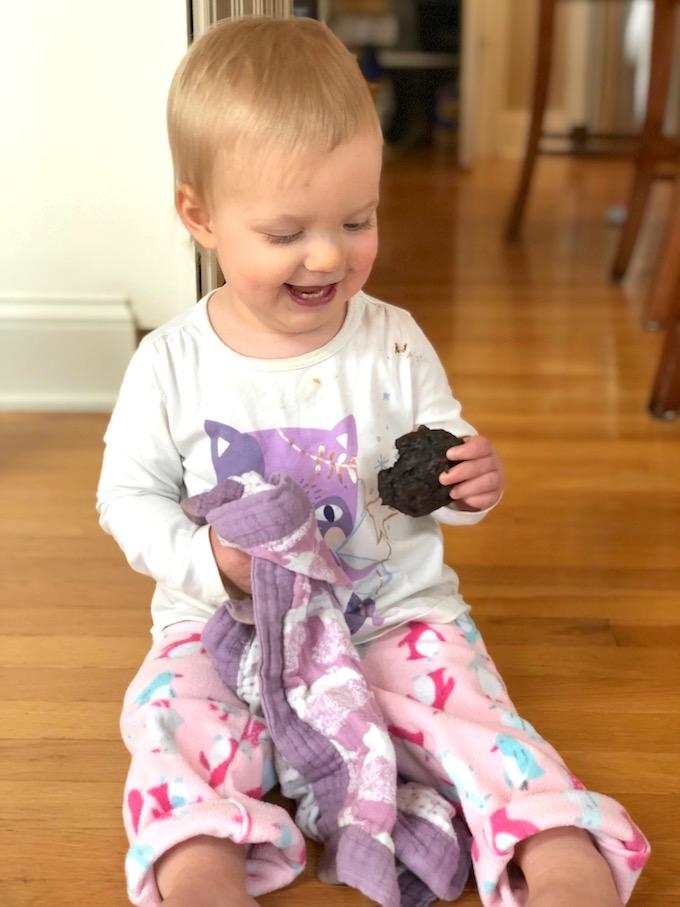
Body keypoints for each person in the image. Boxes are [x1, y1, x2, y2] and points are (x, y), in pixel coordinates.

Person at [96, 16, 649, 907]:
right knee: (174, 718)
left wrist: (474, 482)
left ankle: (552, 838)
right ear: (200, 217)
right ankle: (198, 855)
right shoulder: (171, 362)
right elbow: (127, 495)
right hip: (232, 628)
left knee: (475, 720)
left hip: (388, 614)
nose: (328, 255)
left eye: (358, 219)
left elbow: (441, 465)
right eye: (286, 232)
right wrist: (206, 565)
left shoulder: (392, 344)